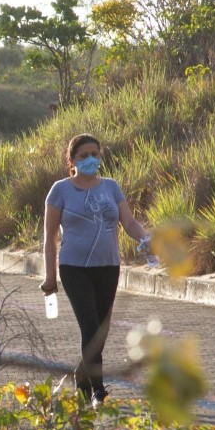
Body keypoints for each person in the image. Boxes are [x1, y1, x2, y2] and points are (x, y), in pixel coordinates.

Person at [39, 133, 149, 407]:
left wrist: (146, 238)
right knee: (90, 327)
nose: (90, 160)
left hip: (108, 266)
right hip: (74, 267)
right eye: (83, 156)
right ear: (71, 160)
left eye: (95, 155)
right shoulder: (60, 190)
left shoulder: (111, 187)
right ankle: (96, 389)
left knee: (100, 330)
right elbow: (50, 237)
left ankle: (82, 375)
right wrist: (50, 276)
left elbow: (129, 222)